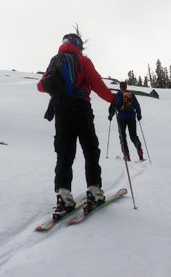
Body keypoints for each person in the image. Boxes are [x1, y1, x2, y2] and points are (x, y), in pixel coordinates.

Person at [38, 33, 116, 218]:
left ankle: (64, 196)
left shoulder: (54, 61)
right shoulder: (82, 60)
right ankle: (94, 191)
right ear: (78, 46)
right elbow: (97, 84)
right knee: (90, 149)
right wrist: (113, 99)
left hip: (61, 111)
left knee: (64, 152)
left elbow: (41, 86)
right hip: (81, 107)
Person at [108, 81, 144, 162]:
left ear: (120, 87)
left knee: (122, 137)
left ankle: (126, 156)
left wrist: (110, 115)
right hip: (132, 117)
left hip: (121, 118)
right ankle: (139, 148)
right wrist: (139, 115)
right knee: (133, 135)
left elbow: (113, 105)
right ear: (126, 86)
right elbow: (137, 105)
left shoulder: (118, 95)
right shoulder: (131, 95)